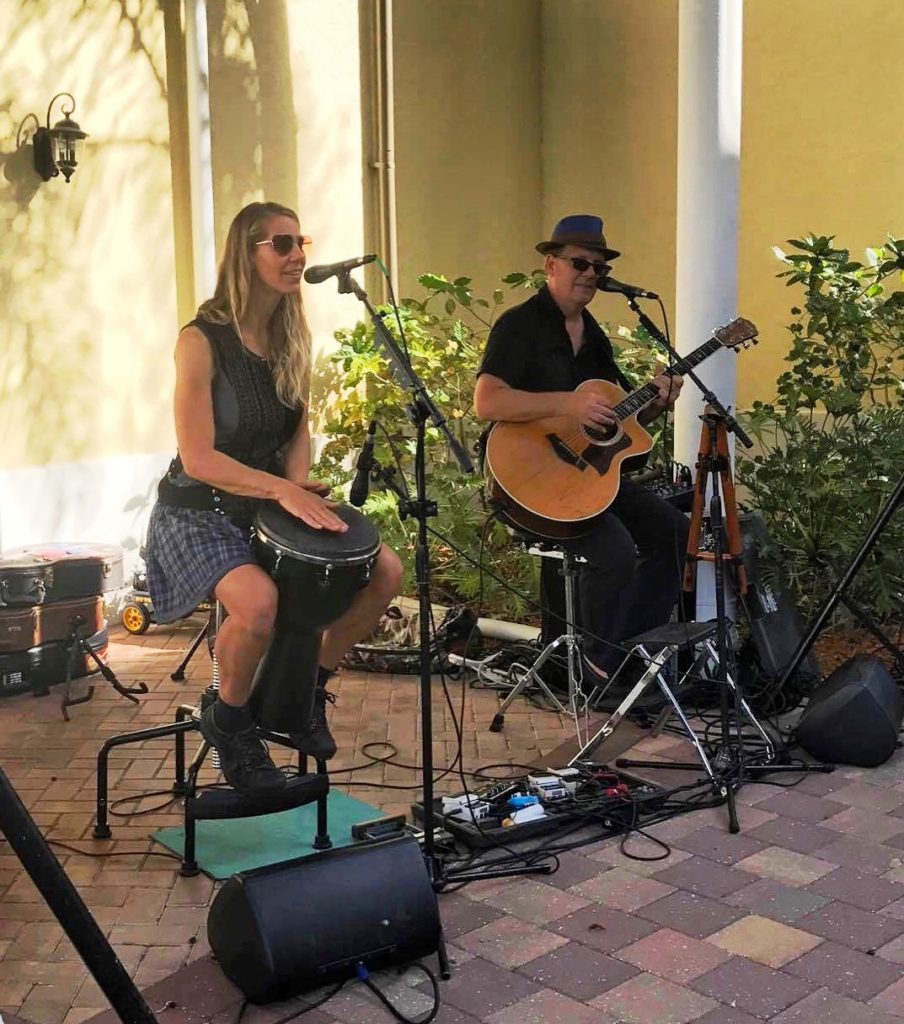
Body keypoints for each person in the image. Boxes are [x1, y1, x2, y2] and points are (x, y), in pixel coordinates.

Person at [146, 201, 403, 793]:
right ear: (247, 252)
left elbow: (297, 428)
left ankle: (305, 692)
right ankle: (231, 723)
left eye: (300, 242)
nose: (297, 255)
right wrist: (283, 489)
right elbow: (199, 459)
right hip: (196, 511)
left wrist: (299, 482)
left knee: (384, 571)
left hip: (266, 505)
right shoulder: (201, 339)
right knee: (257, 603)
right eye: (281, 244)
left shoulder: (290, 336)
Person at [474, 214, 689, 681]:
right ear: (551, 265)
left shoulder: (594, 337)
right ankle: (596, 661)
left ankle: (621, 653)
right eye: (580, 263)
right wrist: (567, 404)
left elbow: (615, 420)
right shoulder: (520, 326)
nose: (591, 274)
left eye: (600, 268)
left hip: (587, 474)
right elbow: (487, 401)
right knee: (615, 551)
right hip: (527, 479)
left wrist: (654, 403)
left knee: (674, 532)